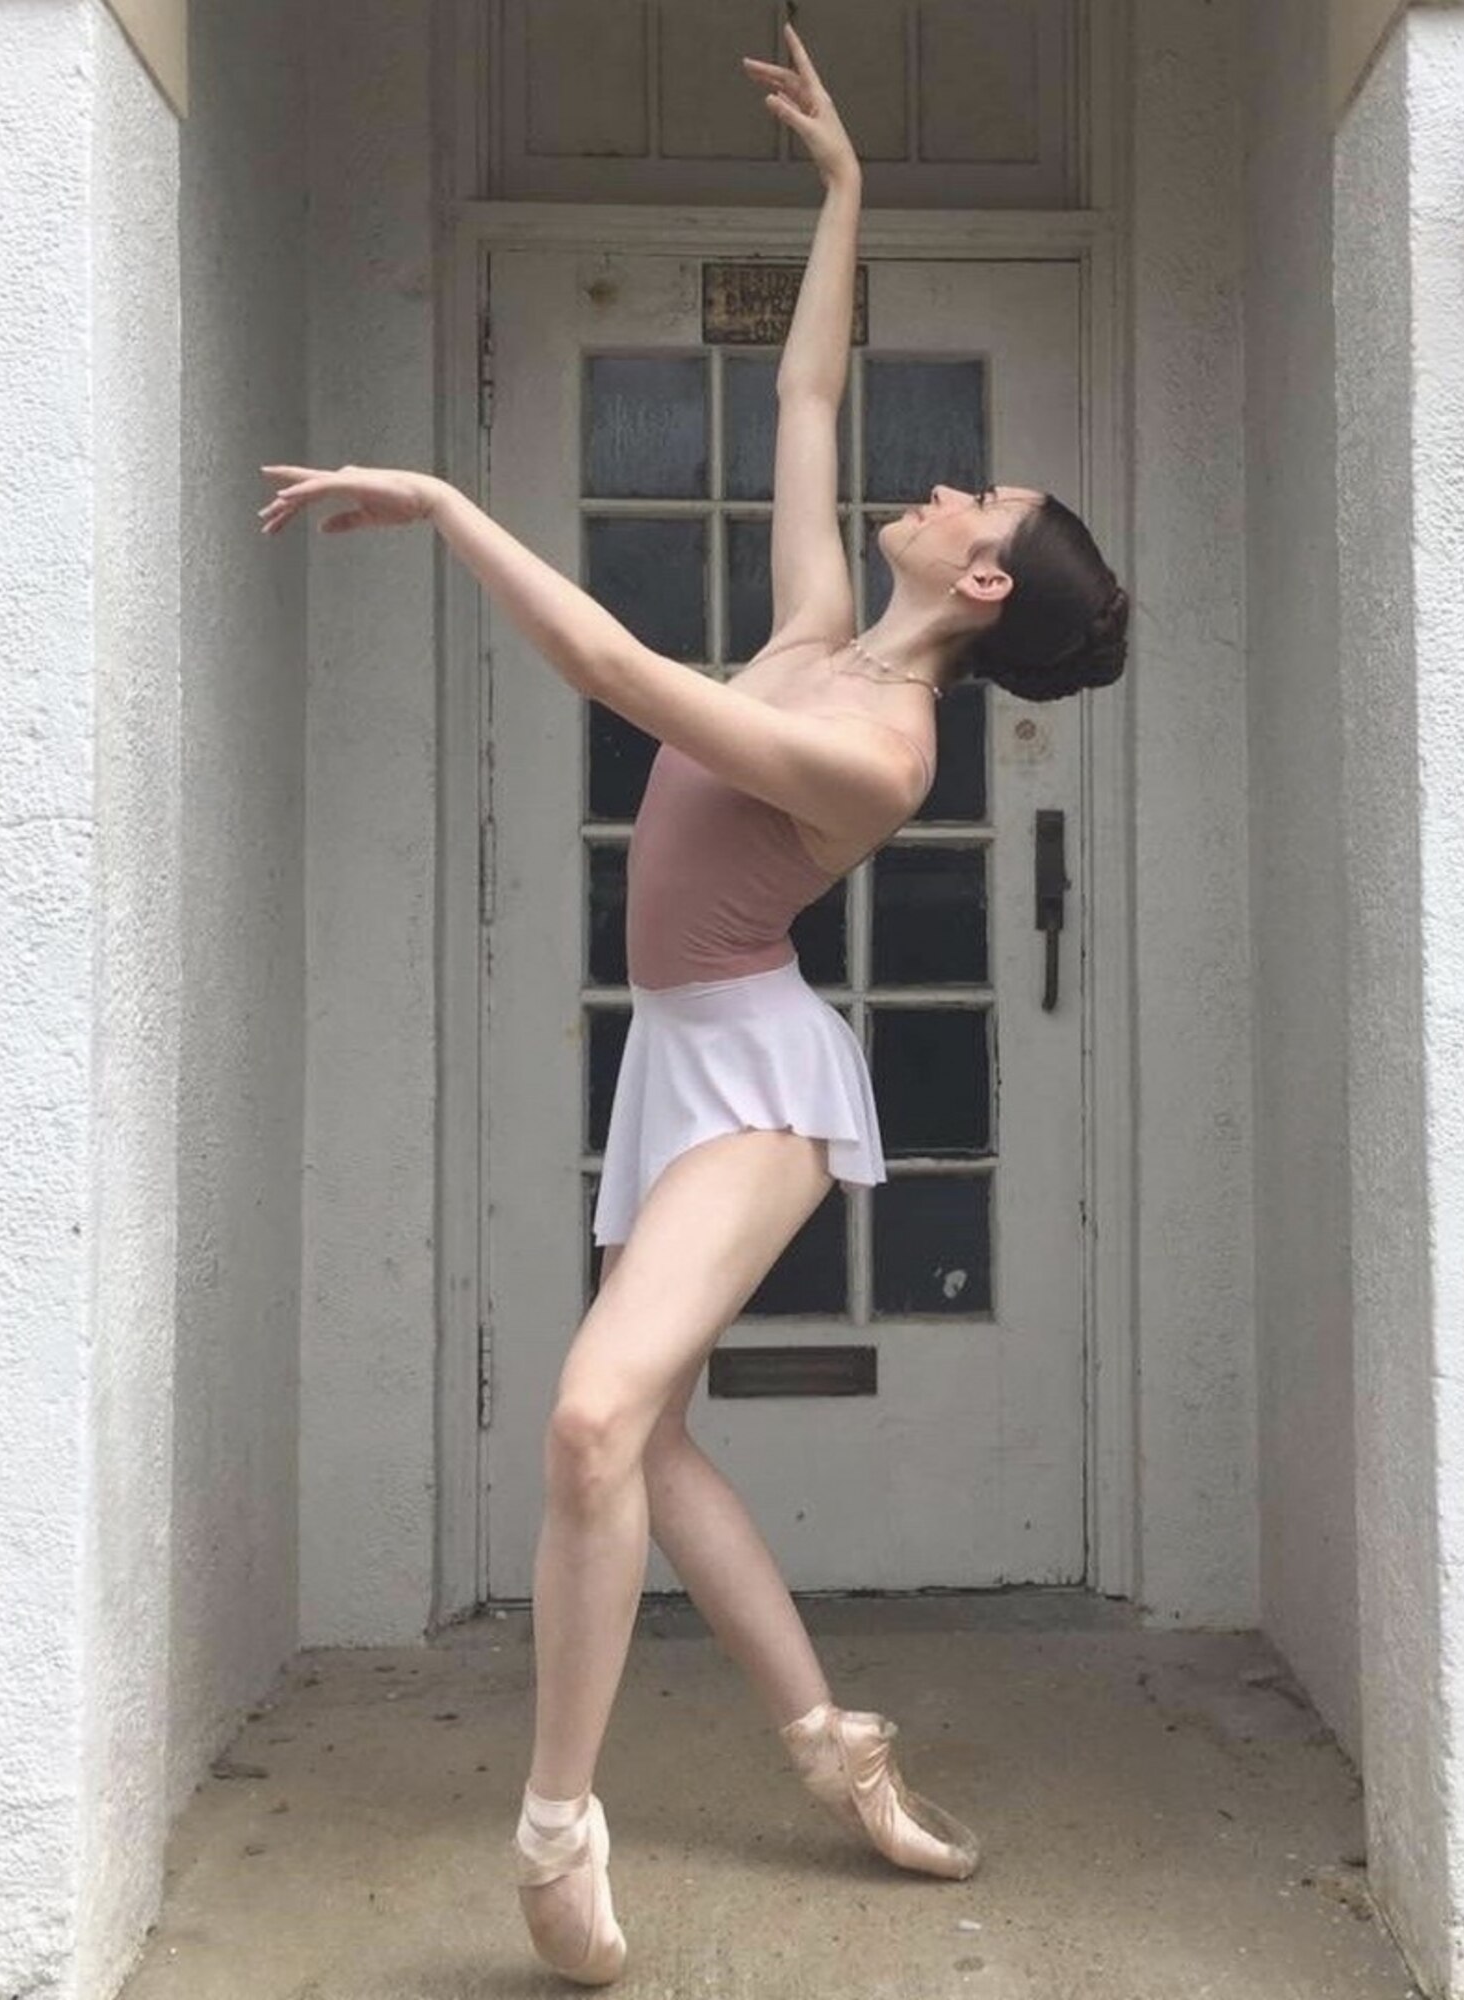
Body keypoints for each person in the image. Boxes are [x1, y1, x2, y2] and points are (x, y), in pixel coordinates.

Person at [259, 21, 1127, 1985]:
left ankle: (555, 1830)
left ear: (982, 587)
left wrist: (449, 500)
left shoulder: (886, 748)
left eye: (967, 502)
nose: (934, 486)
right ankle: (839, 1753)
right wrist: (841, 195)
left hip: (753, 1074)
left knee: (581, 1421)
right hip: (685, 1052)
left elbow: (633, 682)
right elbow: (806, 387)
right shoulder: (825, 627)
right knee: (645, 1446)